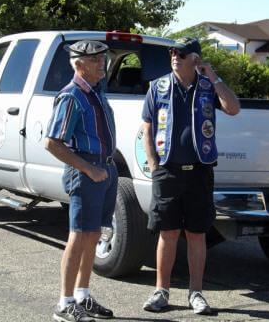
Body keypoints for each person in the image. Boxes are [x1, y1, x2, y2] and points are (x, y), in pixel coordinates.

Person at [141, 37, 240, 315]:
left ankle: (196, 293)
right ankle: (161, 291)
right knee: (168, 232)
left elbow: (233, 108)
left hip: (199, 171)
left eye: (182, 53)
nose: (175, 57)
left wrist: (213, 75)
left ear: (195, 59)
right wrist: (153, 164)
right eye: (173, 52)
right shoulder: (158, 86)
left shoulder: (209, 87)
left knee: (197, 234)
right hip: (168, 171)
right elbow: (147, 127)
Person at [45, 40, 117, 322]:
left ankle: (83, 296)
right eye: (96, 60)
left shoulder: (96, 92)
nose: (103, 64)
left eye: (103, 59)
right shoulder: (71, 96)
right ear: (78, 64)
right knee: (78, 236)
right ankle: (64, 303)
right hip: (87, 172)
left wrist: (104, 171)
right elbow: (52, 143)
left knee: (93, 234)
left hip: (104, 171)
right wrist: (88, 169)